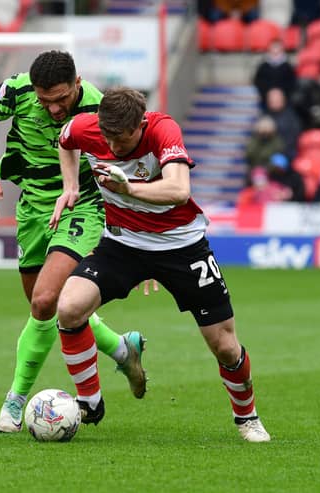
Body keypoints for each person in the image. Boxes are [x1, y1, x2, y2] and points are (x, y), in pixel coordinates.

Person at [50, 87, 271, 442]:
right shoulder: (87, 127)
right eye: (108, 138)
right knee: (69, 308)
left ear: (140, 124)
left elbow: (179, 190)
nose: (114, 147)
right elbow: (65, 140)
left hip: (181, 245)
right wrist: (70, 185)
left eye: (122, 140)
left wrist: (129, 190)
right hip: (123, 243)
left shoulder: (162, 130)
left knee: (226, 345)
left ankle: (247, 418)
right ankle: (89, 402)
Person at [0, 50, 147, 433]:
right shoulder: (14, 90)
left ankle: (15, 400)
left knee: (44, 300)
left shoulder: (101, 108)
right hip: (32, 208)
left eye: (61, 100)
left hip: (81, 206)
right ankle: (122, 347)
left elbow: (130, 171)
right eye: (45, 101)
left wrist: (138, 235)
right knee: (49, 310)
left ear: (78, 85)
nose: (54, 110)